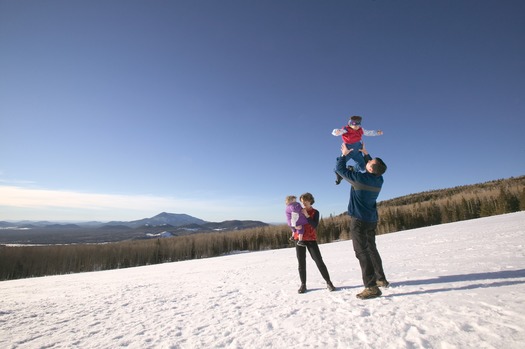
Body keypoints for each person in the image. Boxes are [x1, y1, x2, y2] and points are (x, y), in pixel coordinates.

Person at [335, 142, 389, 299]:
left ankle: (371, 287)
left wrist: (344, 155)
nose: (368, 162)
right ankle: (381, 279)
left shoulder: (360, 179)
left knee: (362, 252)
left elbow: (340, 170)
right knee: (371, 249)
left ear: (371, 169)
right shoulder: (379, 180)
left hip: (359, 221)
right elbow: (373, 167)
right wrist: (366, 154)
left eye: (370, 163)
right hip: (371, 220)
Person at [292, 192, 336, 294]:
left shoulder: (315, 212)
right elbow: (293, 223)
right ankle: (303, 285)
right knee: (301, 262)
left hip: (311, 239)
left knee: (318, 261)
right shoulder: (298, 211)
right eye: (302, 201)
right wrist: (294, 227)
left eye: (305, 201)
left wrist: (307, 216)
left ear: (310, 201)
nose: (303, 203)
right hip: (299, 239)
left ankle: (329, 282)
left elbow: (314, 225)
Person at [332, 115, 383, 184]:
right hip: (348, 151)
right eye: (354, 124)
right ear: (350, 123)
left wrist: (377, 132)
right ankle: (339, 174)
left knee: (363, 167)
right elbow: (338, 132)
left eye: (358, 124)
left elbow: (368, 132)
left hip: (357, 151)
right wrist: (336, 132)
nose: (356, 126)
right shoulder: (346, 129)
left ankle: (353, 169)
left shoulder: (360, 130)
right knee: (340, 163)